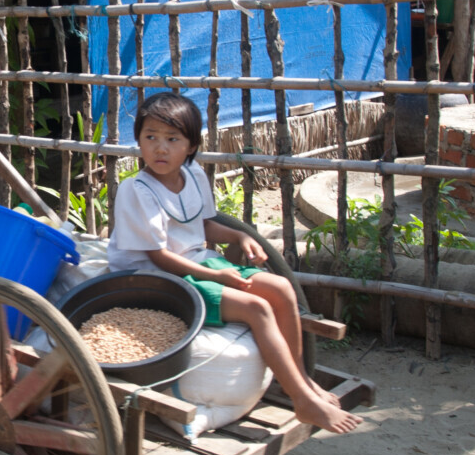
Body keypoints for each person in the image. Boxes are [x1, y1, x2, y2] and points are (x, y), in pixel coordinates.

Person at [107, 92, 362, 434]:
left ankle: (301, 381)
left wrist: (240, 237)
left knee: (281, 287)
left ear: (192, 146)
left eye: (172, 139)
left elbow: (203, 224)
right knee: (256, 308)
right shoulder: (135, 189)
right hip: (151, 278)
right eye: (149, 137)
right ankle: (302, 399)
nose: (160, 148)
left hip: (194, 262)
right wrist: (222, 276)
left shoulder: (193, 175)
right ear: (138, 140)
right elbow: (158, 256)